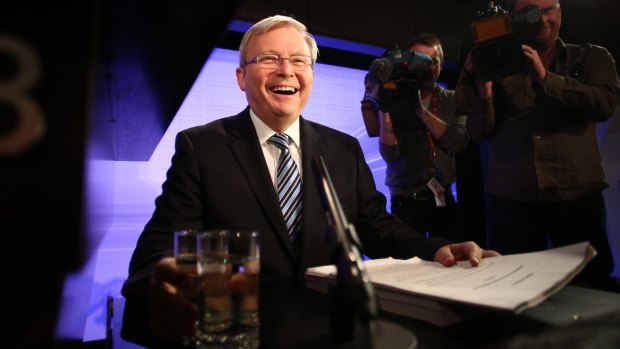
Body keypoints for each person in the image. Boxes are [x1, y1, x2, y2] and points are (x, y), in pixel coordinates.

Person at [120, 14, 499, 348]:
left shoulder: (343, 149)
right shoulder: (201, 147)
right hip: (246, 336)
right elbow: (160, 247)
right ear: (241, 77)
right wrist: (162, 284)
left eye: (299, 60)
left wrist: (438, 250)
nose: (286, 70)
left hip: (329, 332)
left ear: (311, 75)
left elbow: (377, 228)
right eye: (269, 58)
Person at [455, 0, 619, 286]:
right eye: (531, 12)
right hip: (511, 200)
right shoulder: (496, 61)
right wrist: (482, 85)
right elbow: (478, 132)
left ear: (560, 12)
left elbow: (604, 104)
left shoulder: (590, 57)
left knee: (592, 287)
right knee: (514, 288)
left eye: (547, 10)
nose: (541, 19)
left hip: (576, 196)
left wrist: (545, 78)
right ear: (517, 19)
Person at [361, 33, 469, 242]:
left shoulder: (452, 99)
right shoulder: (394, 97)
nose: (427, 68)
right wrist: (384, 104)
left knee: (456, 261)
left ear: (441, 64)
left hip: (443, 197)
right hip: (405, 202)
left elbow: (458, 142)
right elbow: (390, 154)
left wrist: (419, 109)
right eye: (420, 61)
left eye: (432, 61)